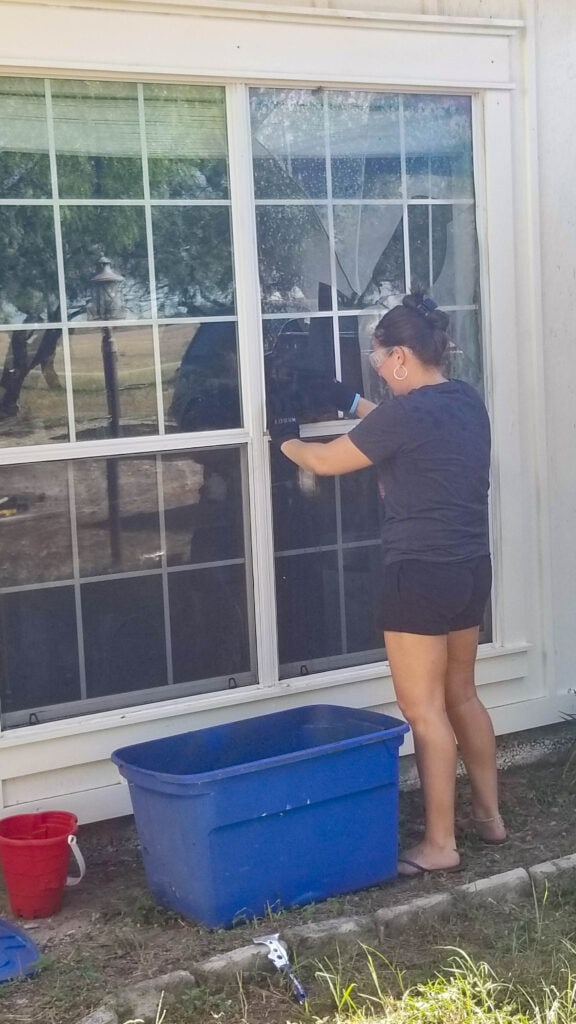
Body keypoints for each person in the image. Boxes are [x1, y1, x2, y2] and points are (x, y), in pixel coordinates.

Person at [267, 292, 506, 877]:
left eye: (377, 362)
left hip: (418, 575)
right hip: (469, 567)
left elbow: (324, 463)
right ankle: (490, 817)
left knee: (423, 710)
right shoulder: (464, 400)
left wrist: (283, 439)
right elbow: (399, 427)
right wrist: (350, 400)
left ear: (400, 357)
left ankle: (441, 845)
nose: (377, 370)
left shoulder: (407, 413)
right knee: (462, 696)